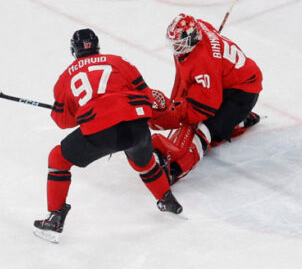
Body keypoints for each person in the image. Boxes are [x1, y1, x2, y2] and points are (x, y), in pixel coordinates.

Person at [33, 28, 182, 243]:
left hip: (102, 130)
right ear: (97, 46)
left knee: (58, 158)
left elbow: (62, 121)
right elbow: (146, 93)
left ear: (74, 50)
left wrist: (80, 112)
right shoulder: (118, 61)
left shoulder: (66, 77)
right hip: (136, 125)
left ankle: (55, 217)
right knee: (145, 163)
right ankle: (167, 200)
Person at [148, 13, 262, 184]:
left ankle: (175, 169)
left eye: (179, 45)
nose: (175, 49)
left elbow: (205, 107)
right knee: (206, 121)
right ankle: (239, 120)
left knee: (204, 129)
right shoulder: (199, 27)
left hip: (242, 93)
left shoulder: (203, 62)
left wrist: (177, 113)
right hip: (228, 82)